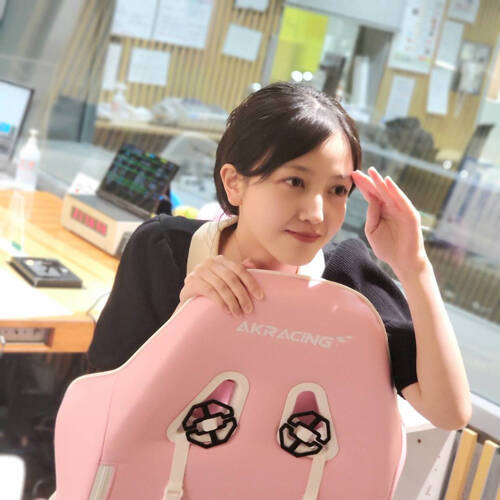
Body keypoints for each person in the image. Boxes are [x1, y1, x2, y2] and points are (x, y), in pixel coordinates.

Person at [88, 82, 470, 430]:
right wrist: (186, 319)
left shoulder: (346, 279)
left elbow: (449, 412)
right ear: (234, 183)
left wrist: (414, 267)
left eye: (337, 190)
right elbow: (100, 405)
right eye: (295, 182)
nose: (316, 214)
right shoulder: (166, 251)